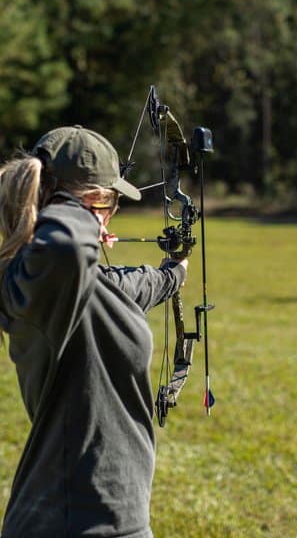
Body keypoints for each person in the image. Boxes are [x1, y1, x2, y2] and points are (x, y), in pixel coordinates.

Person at [0, 125, 187, 538]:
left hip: (103, 515)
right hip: (74, 520)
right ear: (92, 201)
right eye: (111, 202)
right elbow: (65, 245)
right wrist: (82, 212)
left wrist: (174, 272)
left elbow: (128, 286)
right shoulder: (36, 282)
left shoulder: (74, 282)